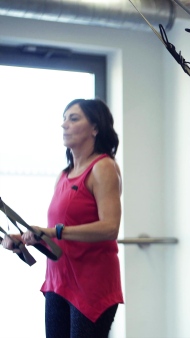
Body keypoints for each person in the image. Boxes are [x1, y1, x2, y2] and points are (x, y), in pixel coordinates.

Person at [2, 99, 123, 337]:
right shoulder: (64, 175)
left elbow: (110, 228)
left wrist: (54, 231)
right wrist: (28, 239)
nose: (64, 125)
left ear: (95, 128)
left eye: (73, 118)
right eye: (64, 119)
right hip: (59, 282)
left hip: (91, 285)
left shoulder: (103, 167)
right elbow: (58, 237)